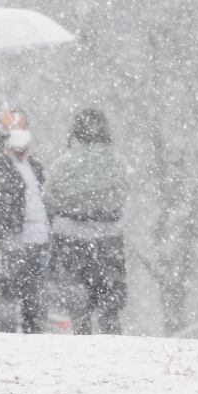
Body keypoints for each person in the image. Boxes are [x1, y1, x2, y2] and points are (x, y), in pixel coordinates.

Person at [44, 108, 128, 334]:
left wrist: (72, 209)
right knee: (109, 304)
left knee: (78, 304)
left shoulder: (64, 163)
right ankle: (113, 344)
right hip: (108, 240)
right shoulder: (117, 163)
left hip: (70, 239)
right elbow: (121, 196)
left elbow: (49, 198)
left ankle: (83, 343)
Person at [0, 107, 50, 333]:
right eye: (14, 127)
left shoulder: (34, 167)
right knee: (5, 308)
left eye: (24, 126)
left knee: (36, 310)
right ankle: (1, 358)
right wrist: (0, 132)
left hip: (37, 246)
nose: (20, 132)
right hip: (6, 243)